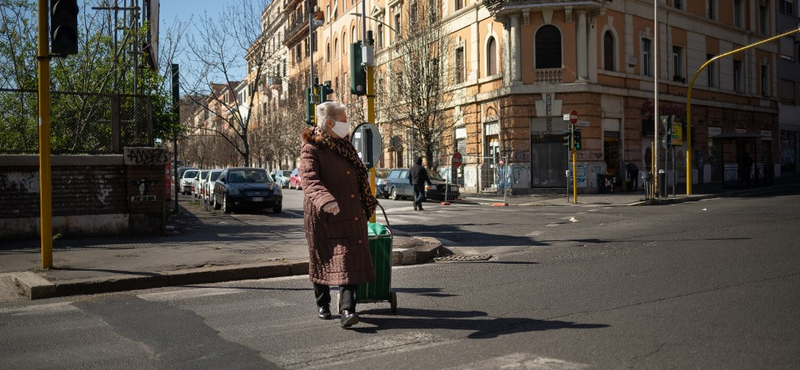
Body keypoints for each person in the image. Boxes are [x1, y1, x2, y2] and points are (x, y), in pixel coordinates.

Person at [299, 101, 378, 329]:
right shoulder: (311, 147)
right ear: (331, 122)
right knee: (322, 258)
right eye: (344, 120)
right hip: (324, 216)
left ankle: (348, 310)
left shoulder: (346, 146)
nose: (347, 124)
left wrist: (367, 200)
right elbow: (309, 179)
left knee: (349, 259)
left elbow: (357, 174)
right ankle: (322, 303)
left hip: (350, 213)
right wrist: (326, 200)